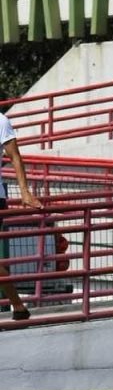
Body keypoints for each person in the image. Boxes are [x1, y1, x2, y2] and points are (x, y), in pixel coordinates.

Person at [0, 111, 43, 321]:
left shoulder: (0, 121)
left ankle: (18, 305)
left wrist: (25, 192)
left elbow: (15, 156)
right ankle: (18, 306)